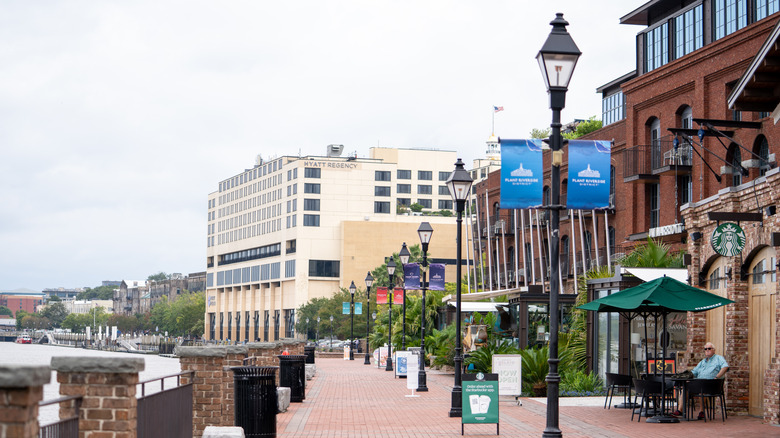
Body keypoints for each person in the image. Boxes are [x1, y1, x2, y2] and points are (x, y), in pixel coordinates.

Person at [674, 342, 729, 419]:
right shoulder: (702, 362)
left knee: (701, 387)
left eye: (709, 348)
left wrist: (717, 377)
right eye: (705, 349)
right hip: (700, 383)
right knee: (685, 387)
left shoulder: (719, 358)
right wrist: (687, 377)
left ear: (714, 350)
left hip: (712, 384)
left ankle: (701, 412)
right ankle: (680, 410)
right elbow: (694, 372)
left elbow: (725, 367)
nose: (707, 350)